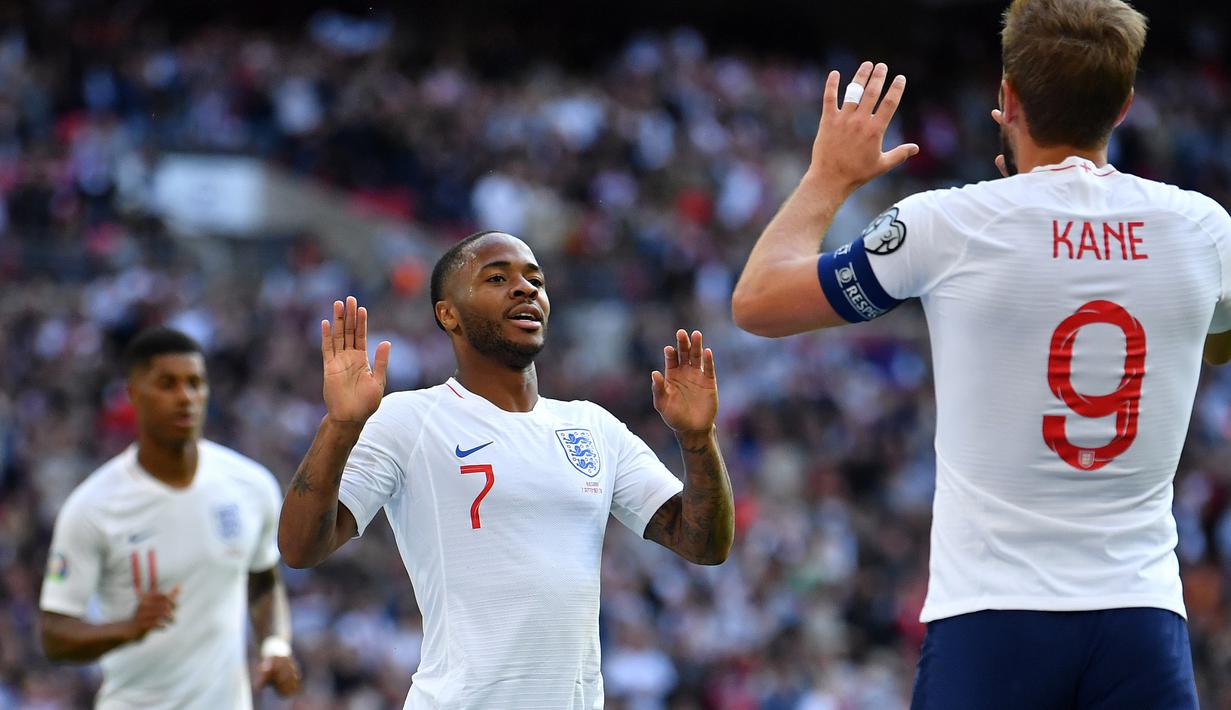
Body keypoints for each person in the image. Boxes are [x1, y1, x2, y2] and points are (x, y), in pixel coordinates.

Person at [731, 1, 1226, 708]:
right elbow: (1214, 343)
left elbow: (756, 301)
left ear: (1008, 100)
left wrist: (828, 177)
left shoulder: (948, 224)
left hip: (992, 616)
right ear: (1123, 108)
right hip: (1139, 617)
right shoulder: (1202, 230)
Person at [278, 230, 734, 709]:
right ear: (447, 313)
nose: (525, 288)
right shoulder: (409, 419)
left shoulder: (592, 426)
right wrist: (340, 425)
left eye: (535, 279)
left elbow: (703, 544)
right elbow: (300, 547)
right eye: (497, 277)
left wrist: (698, 439)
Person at [39, 327, 301, 709]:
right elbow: (54, 635)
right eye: (167, 384)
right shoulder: (93, 507)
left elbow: (263, 579)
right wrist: (127, 629)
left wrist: (274, 645)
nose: (186, 397)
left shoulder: (250, 485)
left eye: (195, 384)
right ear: (133, 395)